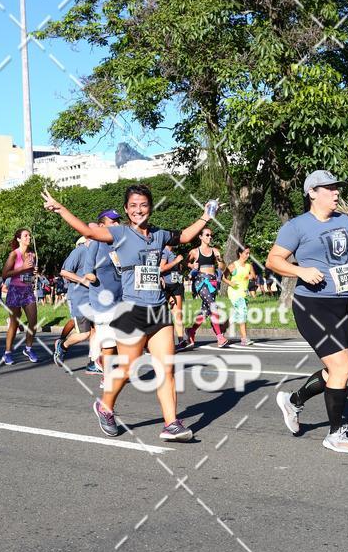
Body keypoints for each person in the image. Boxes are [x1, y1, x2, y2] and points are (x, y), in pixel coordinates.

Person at [42, 183, 220, 441]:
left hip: (158, 310)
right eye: (133, 206)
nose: (139, 210)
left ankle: (171, 424)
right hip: (131, 311)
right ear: (127, 209)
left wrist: (206, 216)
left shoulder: (159, 234)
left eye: (144, 205)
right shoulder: (119, 233)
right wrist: (60, 208)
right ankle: (105, 407)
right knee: (126, 368)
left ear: (150, 207)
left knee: (166, 368)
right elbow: (86, 229)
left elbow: (183, 236)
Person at [266, 169, 348, 454]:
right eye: (328, 188)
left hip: (341, 303)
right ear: (312, 193)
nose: (335, 192)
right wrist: (300, 271)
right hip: (312, 304)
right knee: (340, 367)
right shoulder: (297, 226)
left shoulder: (345, 221)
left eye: (336, 188)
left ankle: (293, 400)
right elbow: (273, 260)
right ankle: (335, 434)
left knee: (343, 367)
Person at [83, 209, 124, 381]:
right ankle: (107, 377)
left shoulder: (120, 243)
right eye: (112, 222)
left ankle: (109, 366)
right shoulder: (96, 243)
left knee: (122, 337)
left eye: (118, 221)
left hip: (122, 297)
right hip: (102, 298)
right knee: (108, 340)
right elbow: (87, 270)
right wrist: (92, 276)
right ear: (101, 226)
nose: (116, 224)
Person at [54, 236, 96, 369]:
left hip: (95, 297)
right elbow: (64, 272)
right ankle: (63, 345)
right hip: (80, 298)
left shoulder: (100, 253)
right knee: (84, 333)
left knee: (96, 331)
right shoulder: (80, 251)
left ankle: (94, 362)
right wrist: (83, 280)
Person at [185, 228, 229, 348]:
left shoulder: (215, 251)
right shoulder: (195, 251)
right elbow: (185, 263)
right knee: (213, 305)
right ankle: (220, 337)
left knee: (205, 311)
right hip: (201, 281)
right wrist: (192, 265)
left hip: (213, 282)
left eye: (211, 235)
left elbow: (222, 267)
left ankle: (191, 331)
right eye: (207, 235)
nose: (210, 237)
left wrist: (221, 261)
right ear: (200, 237)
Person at [1, 228, 39, 365]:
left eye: (29, 235)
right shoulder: (14, 254)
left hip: (27, 290)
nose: (29, 237)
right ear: (19, 239)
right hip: (15, 291)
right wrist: (22, 268)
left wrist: (34, 272)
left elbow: (29, 275)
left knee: (33, 321)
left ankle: (28, 348)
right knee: (14, 323)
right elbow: (5, 274)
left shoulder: (31, 255)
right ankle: (7, 353)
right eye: (26, 236)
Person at [223, 246, 256, 345]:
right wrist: (230, 282)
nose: (248, 255)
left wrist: (250, 276)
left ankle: (221, 329)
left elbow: (253, 276)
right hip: (234, 293)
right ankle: (244, 339)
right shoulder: (233, 265)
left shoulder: (249, 266)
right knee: (243, 312)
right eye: (246, 253)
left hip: (243, 293)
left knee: (235, 315)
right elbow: (223, 277)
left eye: (249, 253)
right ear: (240, 254)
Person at [160, 245, 187, 349]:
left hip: (177, 284)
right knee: (162, 314)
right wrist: (176, 261)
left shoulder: (174, 252)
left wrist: (179, 266)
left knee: (178, 313)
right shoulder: (164, 252)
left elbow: (176, 269)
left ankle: (181, 340)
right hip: (166, 286)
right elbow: (161, 268)